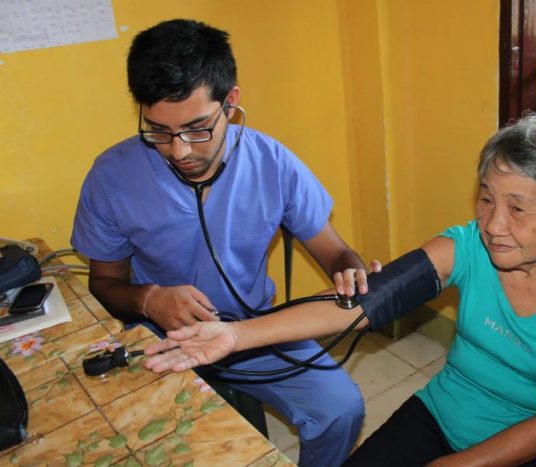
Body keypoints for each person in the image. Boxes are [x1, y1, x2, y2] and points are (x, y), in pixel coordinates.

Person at [143, 114, 536, 467]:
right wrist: (235, 335)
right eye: (486, 199)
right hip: (443, 414)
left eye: (518, 209)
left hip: (530, 448)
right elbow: (360, 306)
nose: (493, 225)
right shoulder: (466, 246)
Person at [71, 19, 381, 467]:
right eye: (158, 131)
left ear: (230, 102)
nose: (179, 151)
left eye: (198, 129)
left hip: (254, 331)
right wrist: (149, 300)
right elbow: (104, 282)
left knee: (340, 409)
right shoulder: (112, 176)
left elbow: (334, 251)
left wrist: (350, 267)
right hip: (161, 340)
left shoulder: (272, 162)